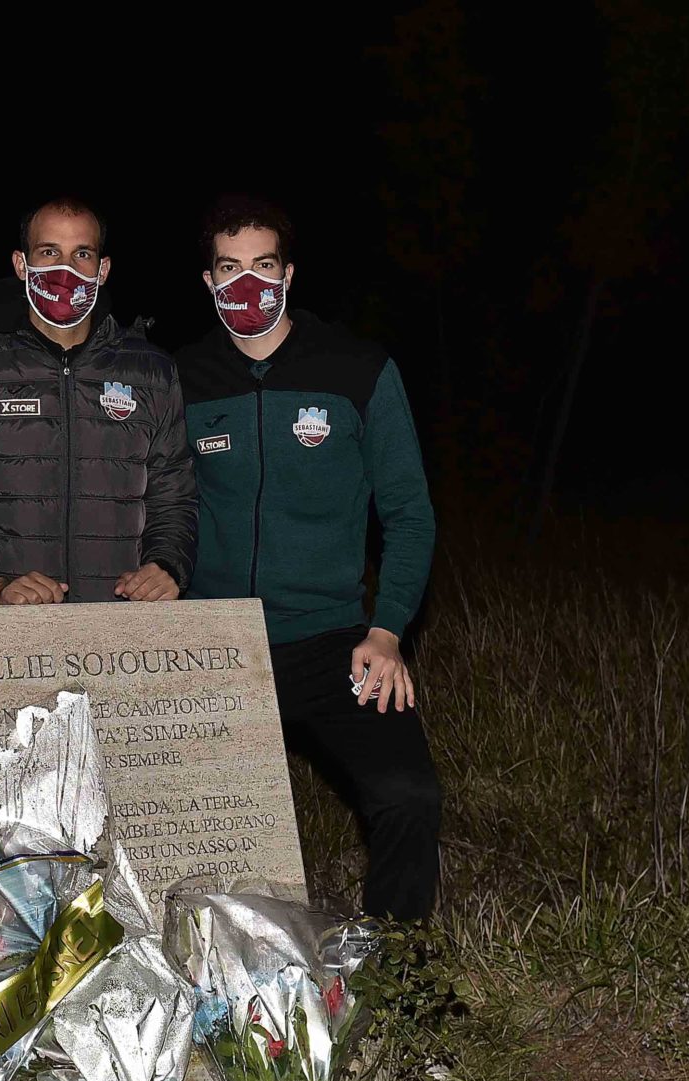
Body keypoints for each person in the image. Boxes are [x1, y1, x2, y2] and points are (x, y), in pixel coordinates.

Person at [175, 194, 442, 923]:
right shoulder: (180, 378)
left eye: (263, 267)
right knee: (174, 816)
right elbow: (155, 506)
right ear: (208, 281)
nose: (247, 284)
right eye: (229, 269)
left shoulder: (358, 369)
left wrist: (387, 630)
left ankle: (399, 964)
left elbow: (410, 515)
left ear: (288, 274)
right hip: (213, 642)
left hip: (334, 641)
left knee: (408, 795)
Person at [0, 196, 195, 607]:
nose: (66, 270)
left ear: (103, 270)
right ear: (21, 264)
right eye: (49, 252)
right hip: (3, 623)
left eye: (82, 254)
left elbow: (174, 498)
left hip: (121, 621)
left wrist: (166, 565)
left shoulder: (152, 372)